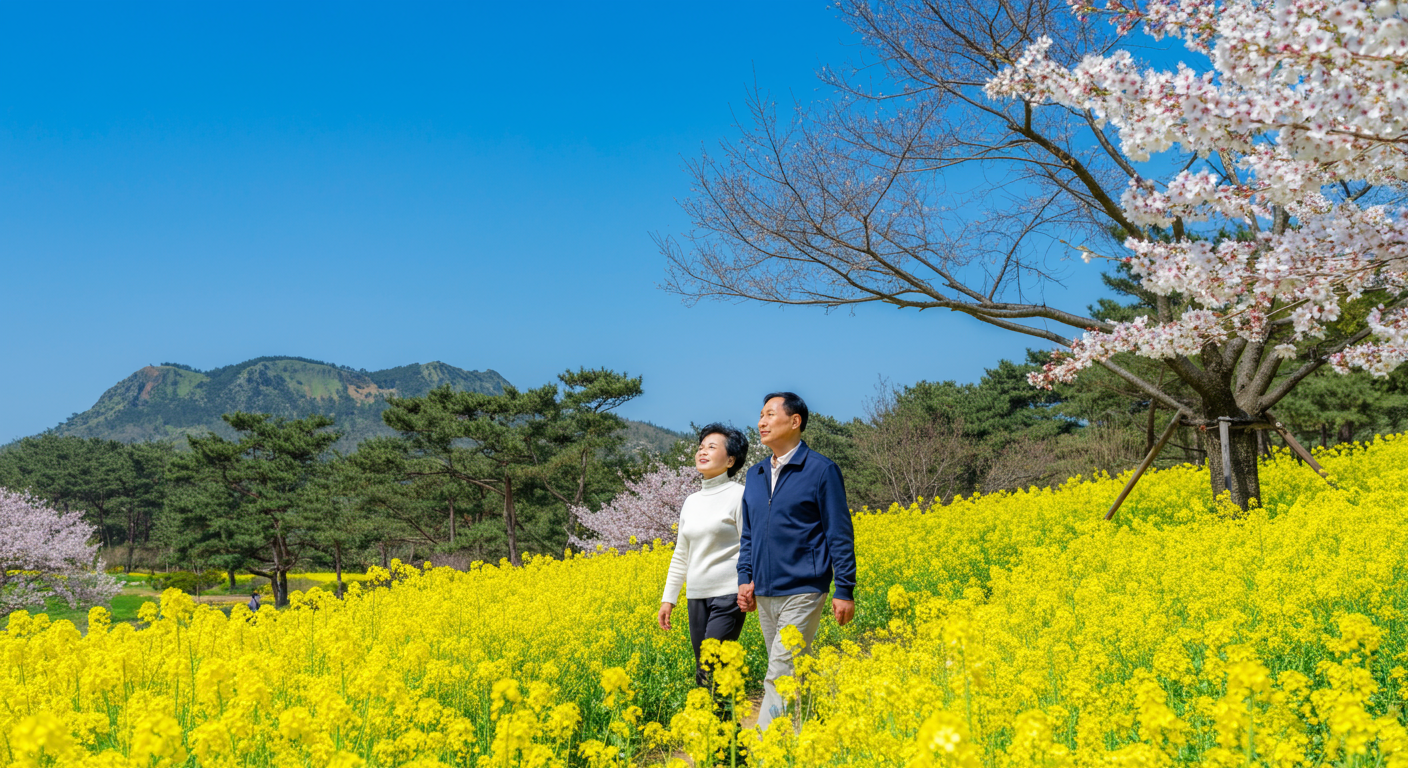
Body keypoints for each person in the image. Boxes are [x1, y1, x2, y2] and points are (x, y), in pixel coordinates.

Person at [737, 392, 856, 731]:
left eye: (769, 414)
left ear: (795, 421)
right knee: (794, 672)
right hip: (764, 592)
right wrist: (744, 578)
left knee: (779, 672)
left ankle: (766, 749)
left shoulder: (821, 470)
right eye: (760, 415)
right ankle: (812, 734)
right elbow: (749, 535)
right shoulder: (755, 474)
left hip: (804, 588)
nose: (761, 422)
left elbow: (839, 533)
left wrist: (844, 589)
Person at [658, 424, 751, 691]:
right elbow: (681, 553)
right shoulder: (691, 501)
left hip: (729, 594)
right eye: (700, 447)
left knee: (711, 666)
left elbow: (750, 544)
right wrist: (668, 599)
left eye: (712, 447)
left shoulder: (739, 495)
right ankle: (716, 716)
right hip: (696, 595)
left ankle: (721, 716)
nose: (703, 452)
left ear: (730, 460)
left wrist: (749, 584)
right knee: (705, 670)